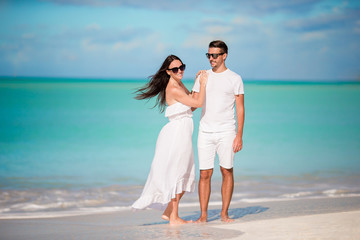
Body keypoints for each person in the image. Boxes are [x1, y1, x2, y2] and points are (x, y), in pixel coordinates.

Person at [131, 55, 208, 225]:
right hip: (176, 134)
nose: (180, 71)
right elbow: (200, 102)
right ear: (168, 72)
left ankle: (169, 213)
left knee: (185, 172)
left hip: (182, 132)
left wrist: (196, 83)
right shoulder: (173, 88)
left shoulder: (178, 84)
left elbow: (192, 105)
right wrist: (203, 83)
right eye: (175, 69)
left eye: (182, 67)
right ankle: (174, 217)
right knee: (177, 173)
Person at [192, 40, 245, 223]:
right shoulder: (203, 76)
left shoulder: (235, 78)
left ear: (224, 56)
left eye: (215, 55)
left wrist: (239, 135)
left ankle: (224, 214)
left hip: (227, 131)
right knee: (204, 174)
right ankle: (203, 216)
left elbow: (240, 108)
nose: (211, 59)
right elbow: (193, 104)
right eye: (209, 55)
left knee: (226, 170)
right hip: (205, 131)